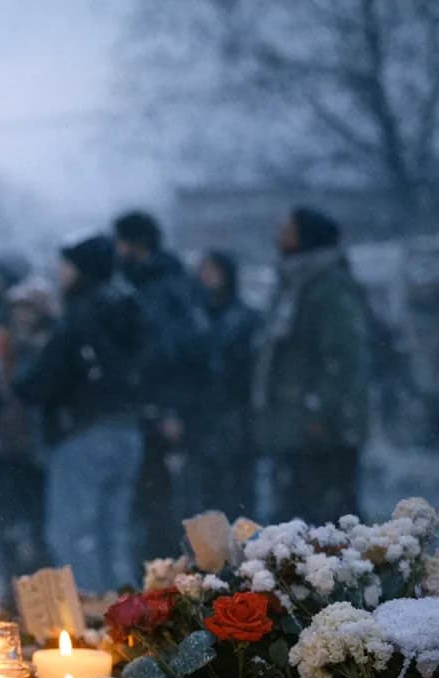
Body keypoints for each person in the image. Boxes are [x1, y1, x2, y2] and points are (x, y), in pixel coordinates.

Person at [14, 233, 146, 593]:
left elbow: (45, 378)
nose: (60, 272)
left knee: (73, 536)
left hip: (82, 433)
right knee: (112, 535)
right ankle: (127, 622)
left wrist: (22, 383)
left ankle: (90, 624)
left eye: (66, 265)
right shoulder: (130, 308)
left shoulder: (81, 315)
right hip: (127, 431)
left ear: (82, 270)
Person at [252, 207, 371, 523]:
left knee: (332, 521)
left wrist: (320, 410)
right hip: (296, 428)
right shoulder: (294, 284)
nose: (281, 234)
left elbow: (344, 358)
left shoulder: (330, 286)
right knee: (297, 519)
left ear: (306, 236)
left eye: (288, 229)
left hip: (324, 431)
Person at [114, 210, 209, 557]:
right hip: (157, 409)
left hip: (162, 411)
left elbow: (167, 353)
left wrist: (168, 409)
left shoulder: (159, 287)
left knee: (162, 505)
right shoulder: (157, 283)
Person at [0, 277, 54, 578]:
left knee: (39, 528)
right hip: (2, 446)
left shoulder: (49, 345)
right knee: (4, 526)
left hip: (38, 449)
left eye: (29, 310)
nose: (22, 317)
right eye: (17, 309)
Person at [191, 250, 263, 519]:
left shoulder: (247, 319)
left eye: (212, 271)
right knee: (207, 499)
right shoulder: (194, 318)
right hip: (203, 419)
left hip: (237, 417)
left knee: (239, 497)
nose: (205, 277)